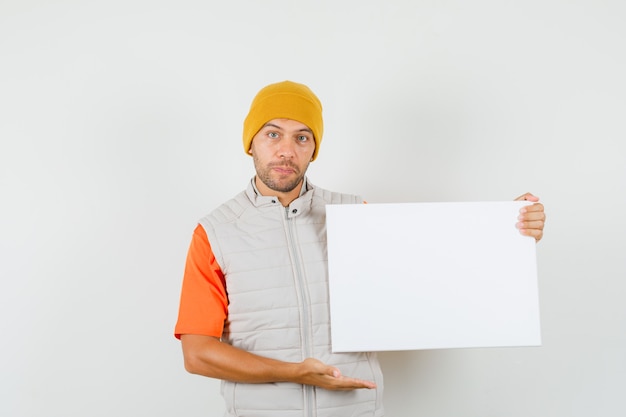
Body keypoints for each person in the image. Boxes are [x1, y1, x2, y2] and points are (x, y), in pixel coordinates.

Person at [174, 80, 546, 417]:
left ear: (314, 148)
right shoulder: (216, 232)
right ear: (250, 142)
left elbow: (436, 276)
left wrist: (507, 228)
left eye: (302, 137)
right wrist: (295, 373)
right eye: (273, 134)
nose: (287, 150)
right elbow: (198, 354)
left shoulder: (355, 215)